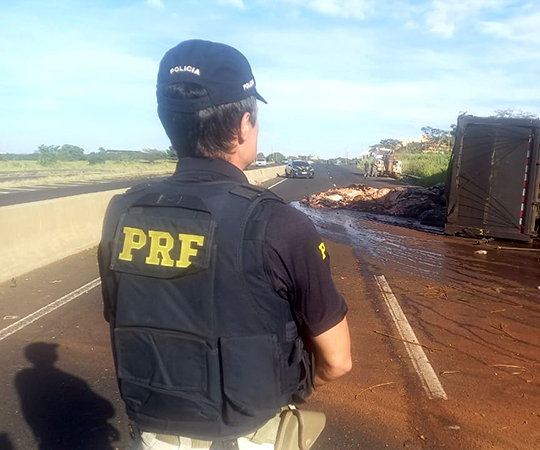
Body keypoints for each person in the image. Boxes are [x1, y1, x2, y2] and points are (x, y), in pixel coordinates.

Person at [97, 39, 352, 450]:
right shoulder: (281, 224)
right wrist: (289, 389)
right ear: (243, 125)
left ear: (167, 120)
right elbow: (338, 360)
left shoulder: (122, 211)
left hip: (155, 433)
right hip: (251, 432)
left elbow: (119, 314)